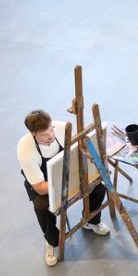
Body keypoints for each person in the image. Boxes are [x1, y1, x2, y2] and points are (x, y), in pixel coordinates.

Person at [17, 110, 109, 267]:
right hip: (45, 184)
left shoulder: (60, 128)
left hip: (69, 173)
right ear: (33, 134)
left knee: (98, 188)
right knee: (42, 207)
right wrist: (66, 184)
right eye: (45, 134)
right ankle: (52, 242)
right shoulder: (25, 150)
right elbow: (39, 187)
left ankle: (91, 221)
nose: (51, 136)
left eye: (51, 130)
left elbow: (80, 148)